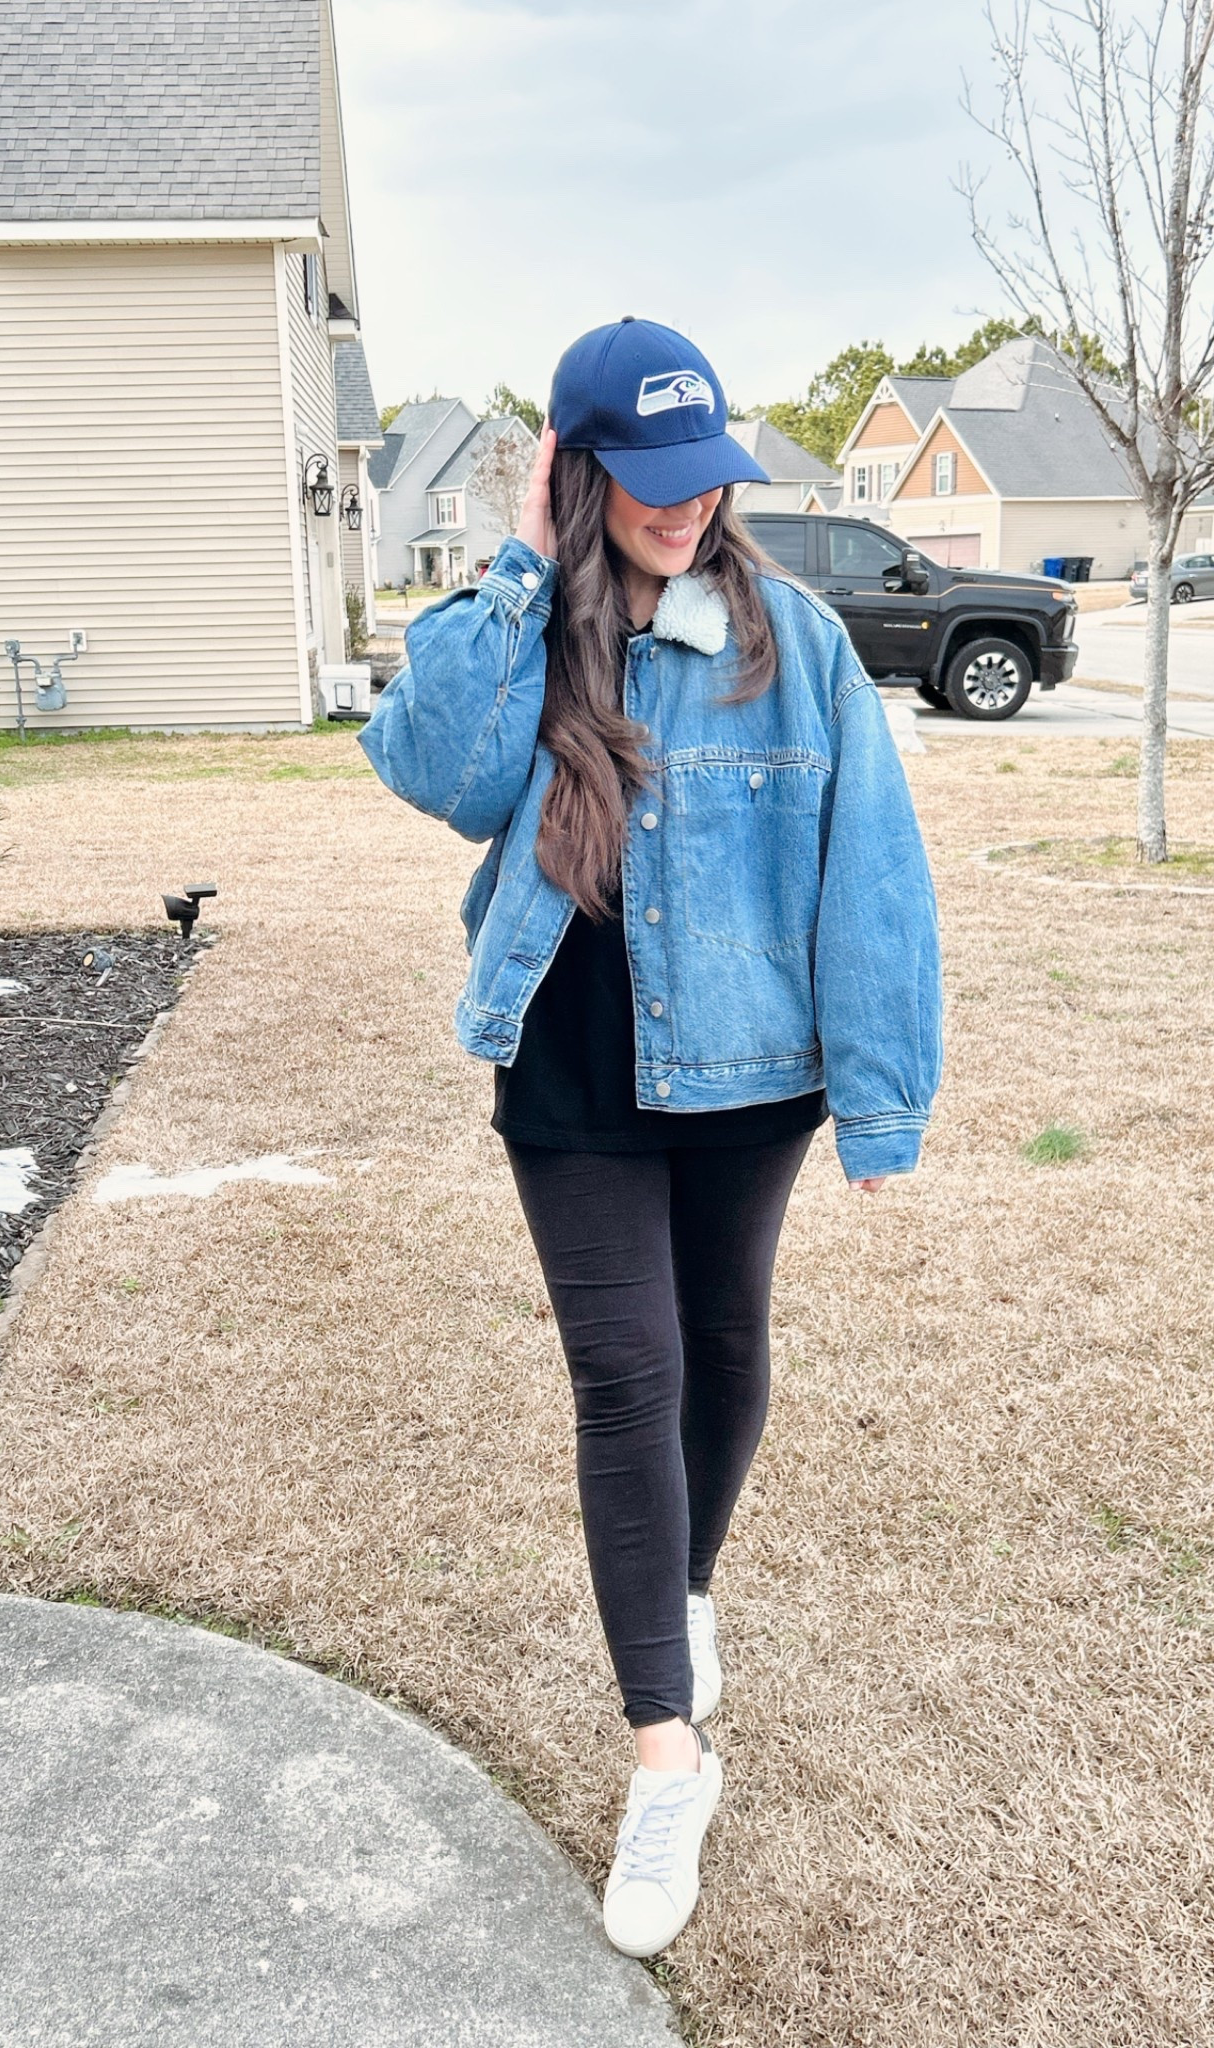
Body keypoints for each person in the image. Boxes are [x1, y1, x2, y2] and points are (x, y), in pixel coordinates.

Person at [360, 317, 941, 1959]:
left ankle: (680, 1593)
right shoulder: (527, 633)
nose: (689, 508)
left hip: (751, 1070)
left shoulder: (795, 640)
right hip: (572, 1071)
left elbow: (871, 865)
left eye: (709, 480)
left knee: (726, 1348)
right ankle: (666, 1755)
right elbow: (435, 774)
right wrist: (523, 563)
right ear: (583, 468)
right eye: (651, 480)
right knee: (629, 1377)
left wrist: (884, 1093)